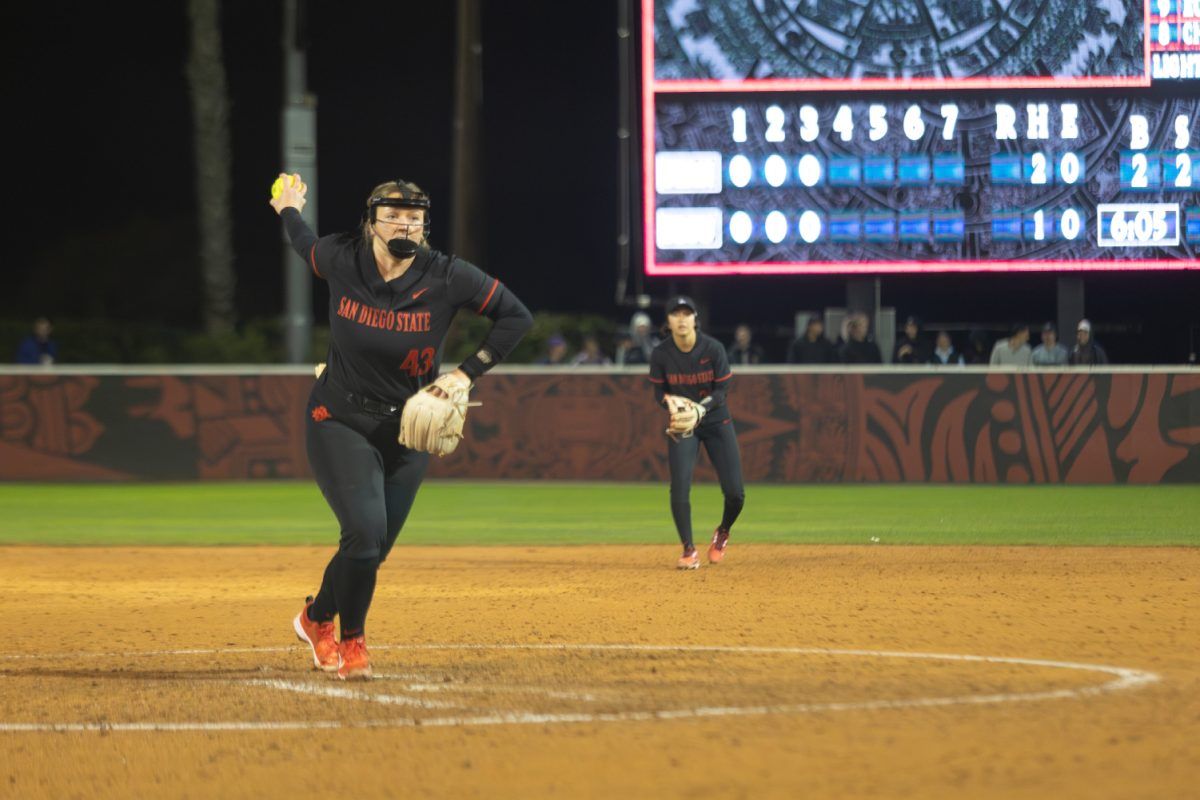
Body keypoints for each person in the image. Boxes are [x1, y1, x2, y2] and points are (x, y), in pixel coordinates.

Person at [271, 173, 532, 680]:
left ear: (424, 226)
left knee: (374, 548)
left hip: (408, 429)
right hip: (339, 417)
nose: (403, 225)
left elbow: (516, 317)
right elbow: (303, 242)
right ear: (371, 222)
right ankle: (353, 642)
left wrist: (464, 374)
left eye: (414, 218)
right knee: (364, 533)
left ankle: (316, 616)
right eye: (392, 216)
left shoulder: (447, 275)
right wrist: (287, 208)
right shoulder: (342, 258)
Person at [649, 296, 745, 570]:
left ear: (695, 319)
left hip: (716, 421)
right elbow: (659, 392)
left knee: (735, 494)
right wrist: (671, 405)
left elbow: (722, 390)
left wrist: (701, 409)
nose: (681, 319)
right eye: (675, 314)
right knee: (679, 487)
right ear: (668, 321)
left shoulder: (713, 348)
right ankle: (689, 550)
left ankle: (723, 531)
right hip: (684, 425)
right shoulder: (661, 354)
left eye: (686, 314)